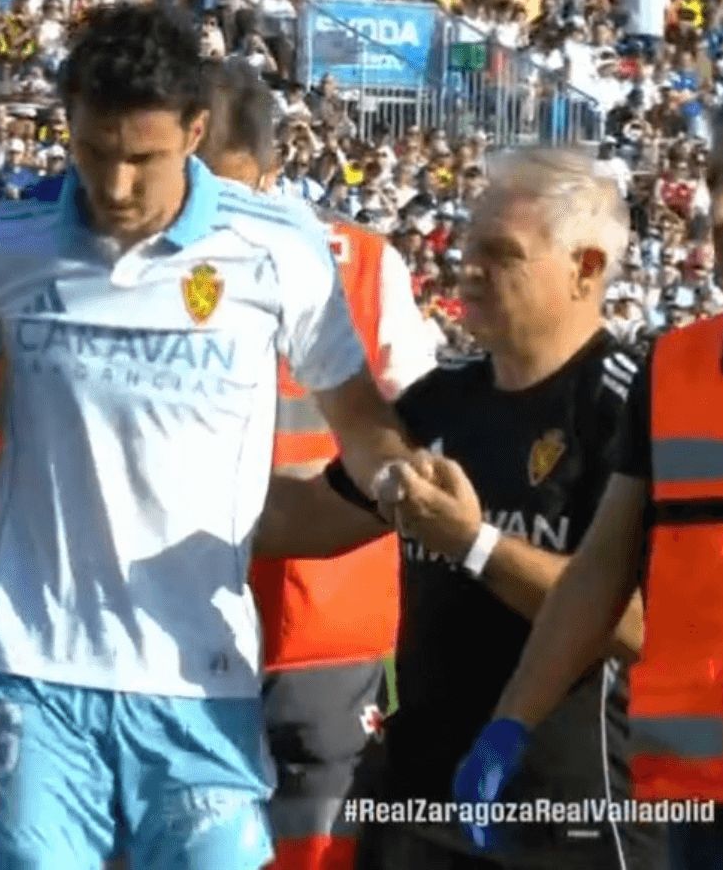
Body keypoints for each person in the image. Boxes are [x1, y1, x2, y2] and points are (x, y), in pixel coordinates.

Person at [0, 3, 431, 870]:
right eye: (95, 152)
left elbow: (363, 423)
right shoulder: (0, 251)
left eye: (144, 157)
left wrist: (398, 478)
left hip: (201, 676)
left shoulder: (276, 250)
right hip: (36, 672)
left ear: (197, 130)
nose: (118, 184)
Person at [258, 145, 664, 868]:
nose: (466, 267)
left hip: (565, 814)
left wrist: (473, 543)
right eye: (466, 245)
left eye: (500, 252)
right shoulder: (439, 403)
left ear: (587, 268)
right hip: (422, 800)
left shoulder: (629, 407)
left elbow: (640, 625)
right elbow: (311, 518)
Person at [455, 79, 723, 868]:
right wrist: (510, 722)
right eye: (714, 183)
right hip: (712, 816)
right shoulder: (675, 373)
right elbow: (600, 573)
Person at [200, 59, 437, 870]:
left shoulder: (367, 266)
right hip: (187, 618)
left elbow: (424, 426)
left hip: (323, 627)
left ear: (271, 173)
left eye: (228, 190)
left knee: (316, 848)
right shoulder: (135, 262)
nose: (209, 216)